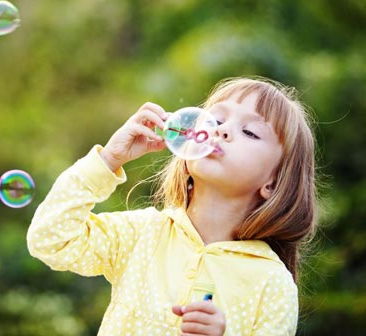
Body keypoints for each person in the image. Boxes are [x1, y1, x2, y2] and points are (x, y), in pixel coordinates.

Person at [27, 76, 318, 335]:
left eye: (250, 132)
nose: (223, 131)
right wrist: (109, 160)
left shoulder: (272, 284)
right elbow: (50, 239)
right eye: (214, 120)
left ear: (273, 182)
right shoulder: (143, 234)